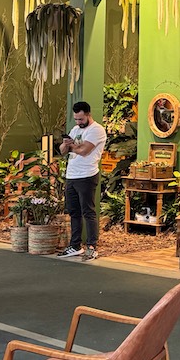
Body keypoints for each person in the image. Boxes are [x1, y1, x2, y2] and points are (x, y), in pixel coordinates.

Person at [58, 101, 106, 261]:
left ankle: (92, 246)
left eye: (81, 119)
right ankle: (75, 245)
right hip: (71, 175)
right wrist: (66, 145)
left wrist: (72, 146)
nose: (78, 122)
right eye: (76, 119)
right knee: (74, 212)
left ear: (88, 115)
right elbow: (62, 151)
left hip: (87, 175)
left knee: (88, 212)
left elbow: (84, 151)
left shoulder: (96, 130)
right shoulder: (75, 129)